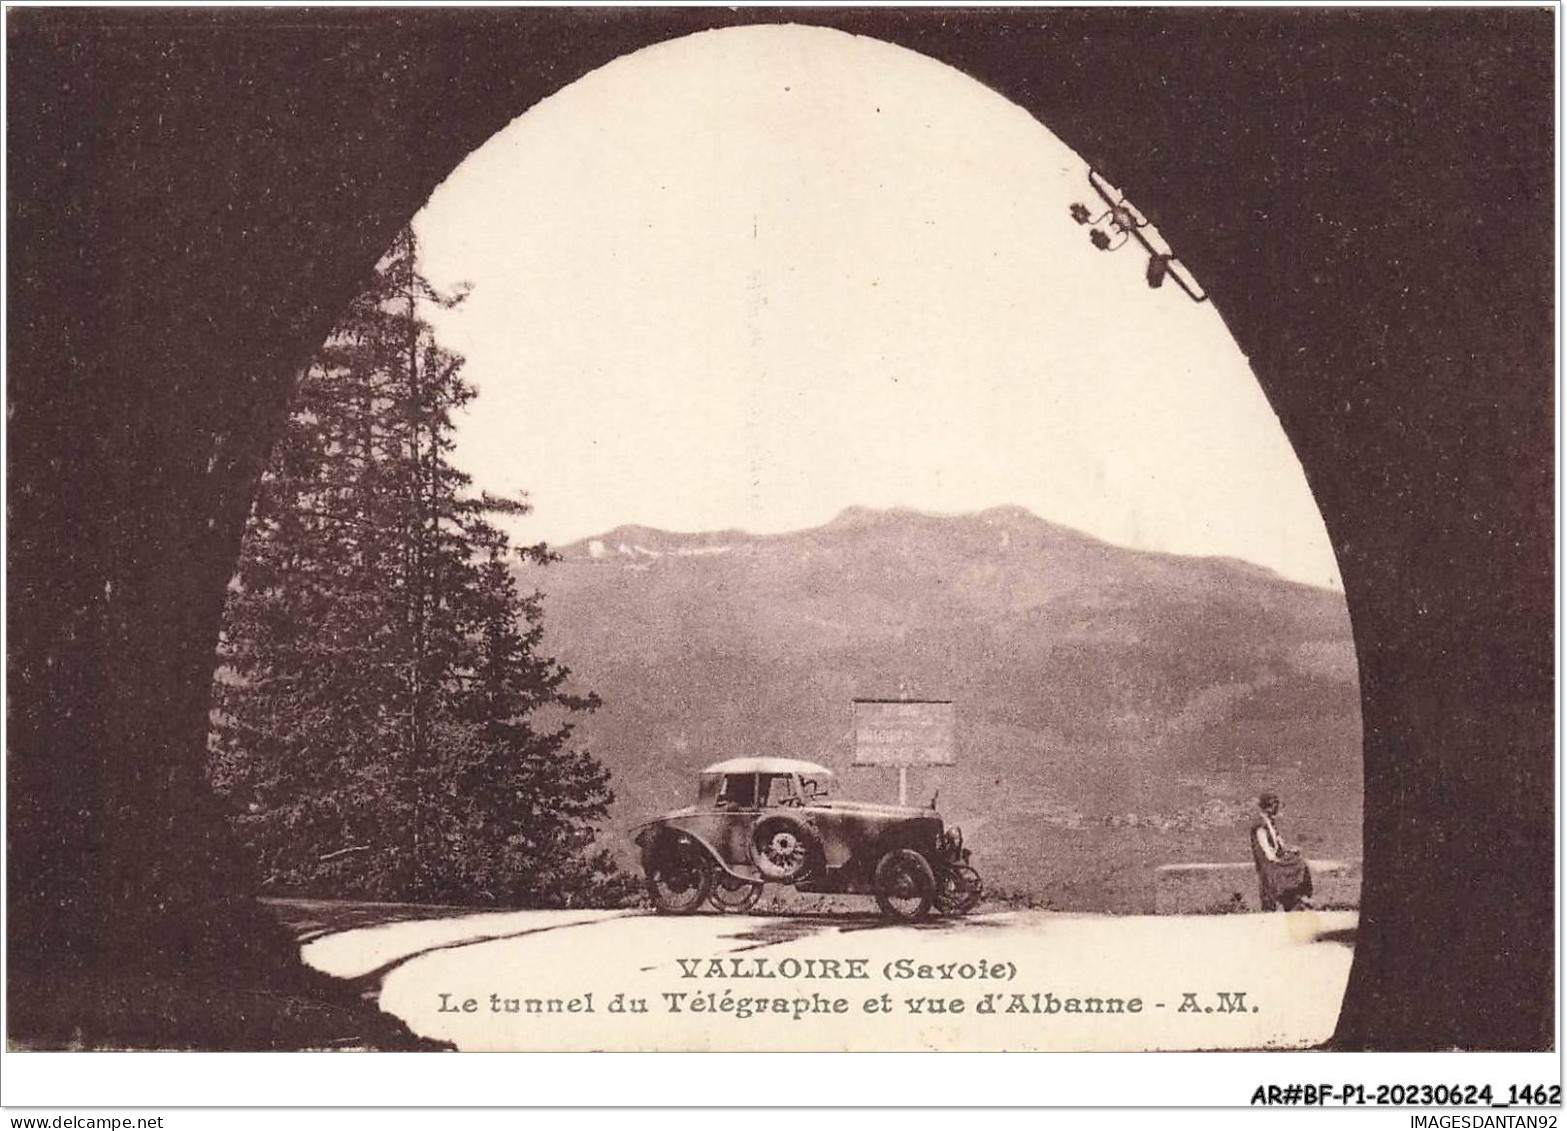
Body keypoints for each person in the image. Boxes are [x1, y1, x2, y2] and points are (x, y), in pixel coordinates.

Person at [1249, 791, 1314, 911]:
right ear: (1268, 807)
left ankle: (1298, 895)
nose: (1276, 809)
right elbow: (1264, 846)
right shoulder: (1260, 823)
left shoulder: (1270, 822)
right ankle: (1291, 896)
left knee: (1300, 862)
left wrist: (1289, 850)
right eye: (1274, 806)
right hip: (1267, 861)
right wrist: (1274, 858)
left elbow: (1279, 841)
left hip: (1276, 855)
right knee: (1289, 866)